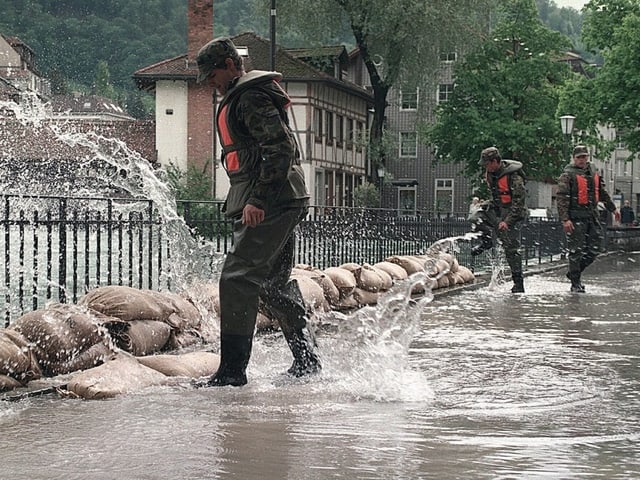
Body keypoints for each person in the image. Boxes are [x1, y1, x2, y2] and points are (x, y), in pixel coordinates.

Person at [195, 37, 320, 386]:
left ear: (232, 65)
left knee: (236, 278)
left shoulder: (249, 96)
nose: (210, 82)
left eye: (213, 74)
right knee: (269, 284)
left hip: (273, 200)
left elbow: (280, 148)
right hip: (281, 197)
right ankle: (307, 358)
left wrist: (259, 200)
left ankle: (232, 373)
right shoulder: (241, 96)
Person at [557, 145, 620, 293]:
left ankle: (574, 272)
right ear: (574, 158)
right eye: (579, 157)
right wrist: (565, 219)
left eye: (584, 157)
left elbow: (602, 192)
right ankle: (575, 282)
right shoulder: (567, 175)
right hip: (576, 217)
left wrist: (613, 208)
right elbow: (562, 199)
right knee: (575, 250)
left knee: (595, 248)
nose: (582, 160)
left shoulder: (592, 171)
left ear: (588, 157)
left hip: (592, 216)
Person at [474, 146, 527, 293]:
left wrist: (507, 222)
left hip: (513, 213)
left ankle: (518, 282)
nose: (485, 167)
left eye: (487, 164)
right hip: (498, 208)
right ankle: (487, 241)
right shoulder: (491, 174)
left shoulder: (514, 177)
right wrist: (486, 204)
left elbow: (519, 203)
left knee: (511, 249)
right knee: (475, 216)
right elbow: (496, 196)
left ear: (495, 161)